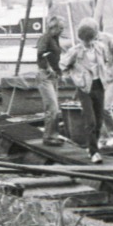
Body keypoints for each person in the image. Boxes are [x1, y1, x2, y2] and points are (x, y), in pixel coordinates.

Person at [59, 17, 113, 163]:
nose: (89, 42)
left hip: (103, 83)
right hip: (86, 87)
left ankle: (104, 138)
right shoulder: (76, 50)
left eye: (91, 39)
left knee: (101, 115)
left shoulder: (103, 44)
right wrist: (75, 77)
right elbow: (64, 65)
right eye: (86, 40)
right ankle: (94, 150)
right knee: (91, 121)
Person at [35, 18, 67, 146]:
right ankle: (48, 137)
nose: (62, 31)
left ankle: (53, 135)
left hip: (53, 76)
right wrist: (48, 68)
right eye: (61, 28)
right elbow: (41, 54)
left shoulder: (55, 39)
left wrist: (60, 73)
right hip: (45, 76)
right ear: (53, 27)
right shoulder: (45, 38)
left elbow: (54, 57)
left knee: (55, 108)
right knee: (52, 107)